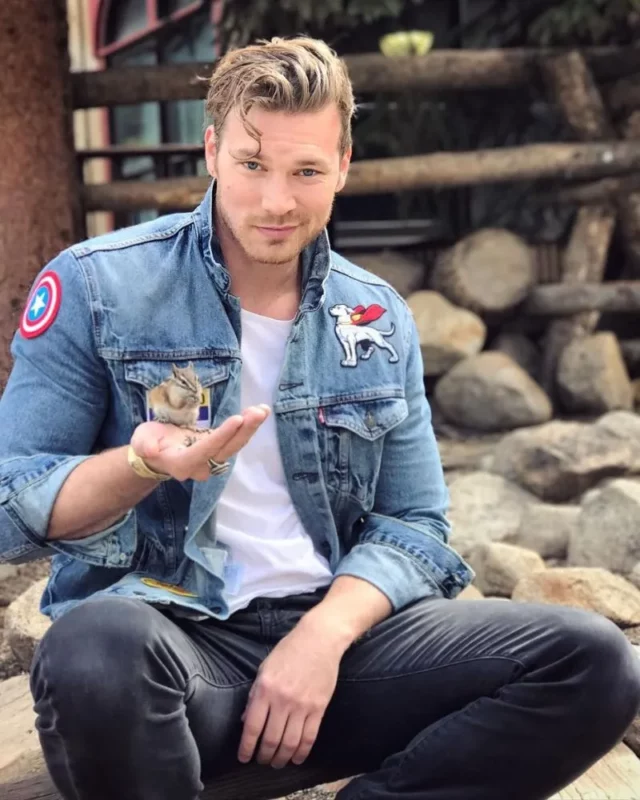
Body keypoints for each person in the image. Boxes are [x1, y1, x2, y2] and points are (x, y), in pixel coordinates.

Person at [0, 35, 638, 800]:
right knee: (94, 654)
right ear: (212, 150)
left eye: (305, 171)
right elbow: (10, 507)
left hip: (344, 654)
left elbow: (415, 523)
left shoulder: (377, 315)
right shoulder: (96, 286)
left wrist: (323, 637)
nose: (277, 201)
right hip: (177, 654)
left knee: (593, 660)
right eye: (252, 165)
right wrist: (141, 465)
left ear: (343, 165)